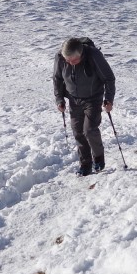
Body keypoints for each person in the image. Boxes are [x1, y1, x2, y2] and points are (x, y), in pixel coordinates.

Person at [53, 37, 116, 176]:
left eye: (73, 60)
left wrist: (109, 99)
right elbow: (57, 79)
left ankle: (99, 159)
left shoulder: (93, 55)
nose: (70, 63)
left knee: (89, 130)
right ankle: (85, 165)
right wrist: (59, 99)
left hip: (93, 98)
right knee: (78, 132)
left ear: (80, 54)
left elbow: (109, 78)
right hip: (74, 100)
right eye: (67, 60)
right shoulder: (60, 57)